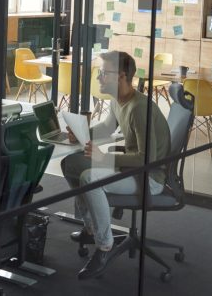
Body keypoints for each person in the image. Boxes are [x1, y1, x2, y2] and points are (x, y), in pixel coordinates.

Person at [61, 51, 170, 280]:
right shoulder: (118, 100)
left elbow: (146, 159)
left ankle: (104, 246)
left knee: (89, 178)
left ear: (121, 76)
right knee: (71, 163)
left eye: (103, 73)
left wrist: (104, 159)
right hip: (131, 169)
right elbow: (107, 128)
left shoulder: (139, 108)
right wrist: (82, 136)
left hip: (148, 178)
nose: (99, 78)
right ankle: (91, 228)